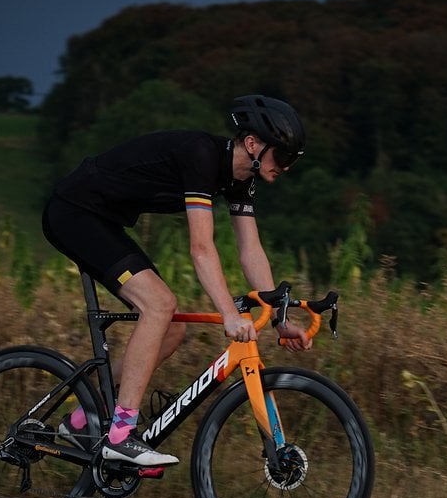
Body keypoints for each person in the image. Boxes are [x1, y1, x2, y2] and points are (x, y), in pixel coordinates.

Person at [42, 94, 312, 468]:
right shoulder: (200, 157)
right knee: (159, 304)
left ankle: (79, 419)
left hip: (102, 221)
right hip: (73, 212)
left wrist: (279, 319)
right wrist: (228, 315)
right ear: (252, 145)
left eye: (293, 160)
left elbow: (251, 249)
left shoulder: (239, 178)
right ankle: (120, 436)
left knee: (170, 330)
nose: (286, 167)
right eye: (283, 157)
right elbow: (201, 249)